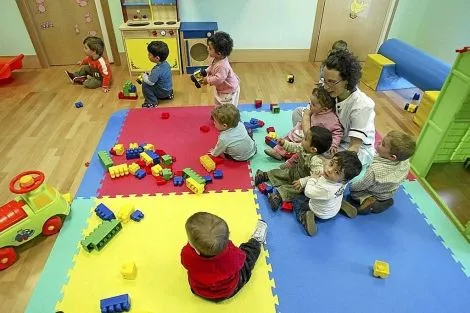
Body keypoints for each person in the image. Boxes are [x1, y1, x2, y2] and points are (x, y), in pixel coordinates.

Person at [293, 50, 376, 165]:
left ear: (347, 81)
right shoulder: (330, 88)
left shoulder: (362, 105)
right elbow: (308, 111)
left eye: (331, 82)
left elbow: (355, 146)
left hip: (350, 146)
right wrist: (309, 136)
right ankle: (307, 149)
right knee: (298, 112)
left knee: (325, 159)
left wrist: (329, 161)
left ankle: (309, 152)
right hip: (328, 133)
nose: (326, 87)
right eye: (324, 80)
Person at [181, 212, 268, 301]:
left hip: (199, 290)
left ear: (196, 249)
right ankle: (256, 240)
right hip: (228, 291)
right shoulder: (231, 256)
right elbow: (241, 260)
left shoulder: (186, 254)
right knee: (248, 255)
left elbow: (185, 264)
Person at [255, 126, 332, 211]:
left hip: (302, 182)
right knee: (282, 173)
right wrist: (284, 143)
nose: (303, 139)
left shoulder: (316, 161)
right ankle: (265, 175)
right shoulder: (304, 147)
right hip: (294, 172)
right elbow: (294, 147)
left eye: (306, 139)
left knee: (294, 190)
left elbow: (317, 177)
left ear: (313, 149)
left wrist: (303, 182)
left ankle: (278, 197)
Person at [341, 130, 416, 215]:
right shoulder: (405, 162)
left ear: (392, 157)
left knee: (354, 194)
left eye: (383, 144)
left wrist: (351, 186)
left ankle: (371, 204)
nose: (379, 141)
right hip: (389, 192)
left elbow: (359, 186)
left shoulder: (375, 170)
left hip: (373, 193)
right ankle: (385, 201)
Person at [264, 85, 342, 165]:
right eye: (310, 102)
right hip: (305, 131)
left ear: (325, 109)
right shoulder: (317, 110)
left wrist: (334, 145)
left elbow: (337, 132)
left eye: (313, 104)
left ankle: (289, 158)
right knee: (289, 136)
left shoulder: (331, 119)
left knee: (300, 148)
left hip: (312, 139)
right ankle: (277, 151)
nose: (310, 105)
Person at [292, 151, 362, 236]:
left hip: (320, 213)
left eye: (336, 172)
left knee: (297, 199)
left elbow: (308, 192)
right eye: (331, 164)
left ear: (344, 180)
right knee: (335, 196)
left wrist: (312, 179)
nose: (329, 170)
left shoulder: (326, 189)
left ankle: (304, 217)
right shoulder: (343, 182)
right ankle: (340, 205)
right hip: (333, 205)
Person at [202, 31, 240, 106]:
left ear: (219, 53)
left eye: (210, 48)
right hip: (222, 88)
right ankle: (218, 112)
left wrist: (207, 80)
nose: (207, 49)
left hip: (228, 91)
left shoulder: (222, 65)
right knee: (218, 102)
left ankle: (227, 116)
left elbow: (218, 79)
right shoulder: (217, 58)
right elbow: (212, 66)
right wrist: (206, 71)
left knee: (226, 107)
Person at [140, 41, 174, 108]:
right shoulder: (166, 64)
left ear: (157, 58)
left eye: (149, 54)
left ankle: (151, 102)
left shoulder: (157, 70)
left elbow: (150, 82)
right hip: (168, 90)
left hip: (163, 92)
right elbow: (160, 76)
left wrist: (144, 76)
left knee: (145, 84)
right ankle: (168, 95)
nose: (148, 55)